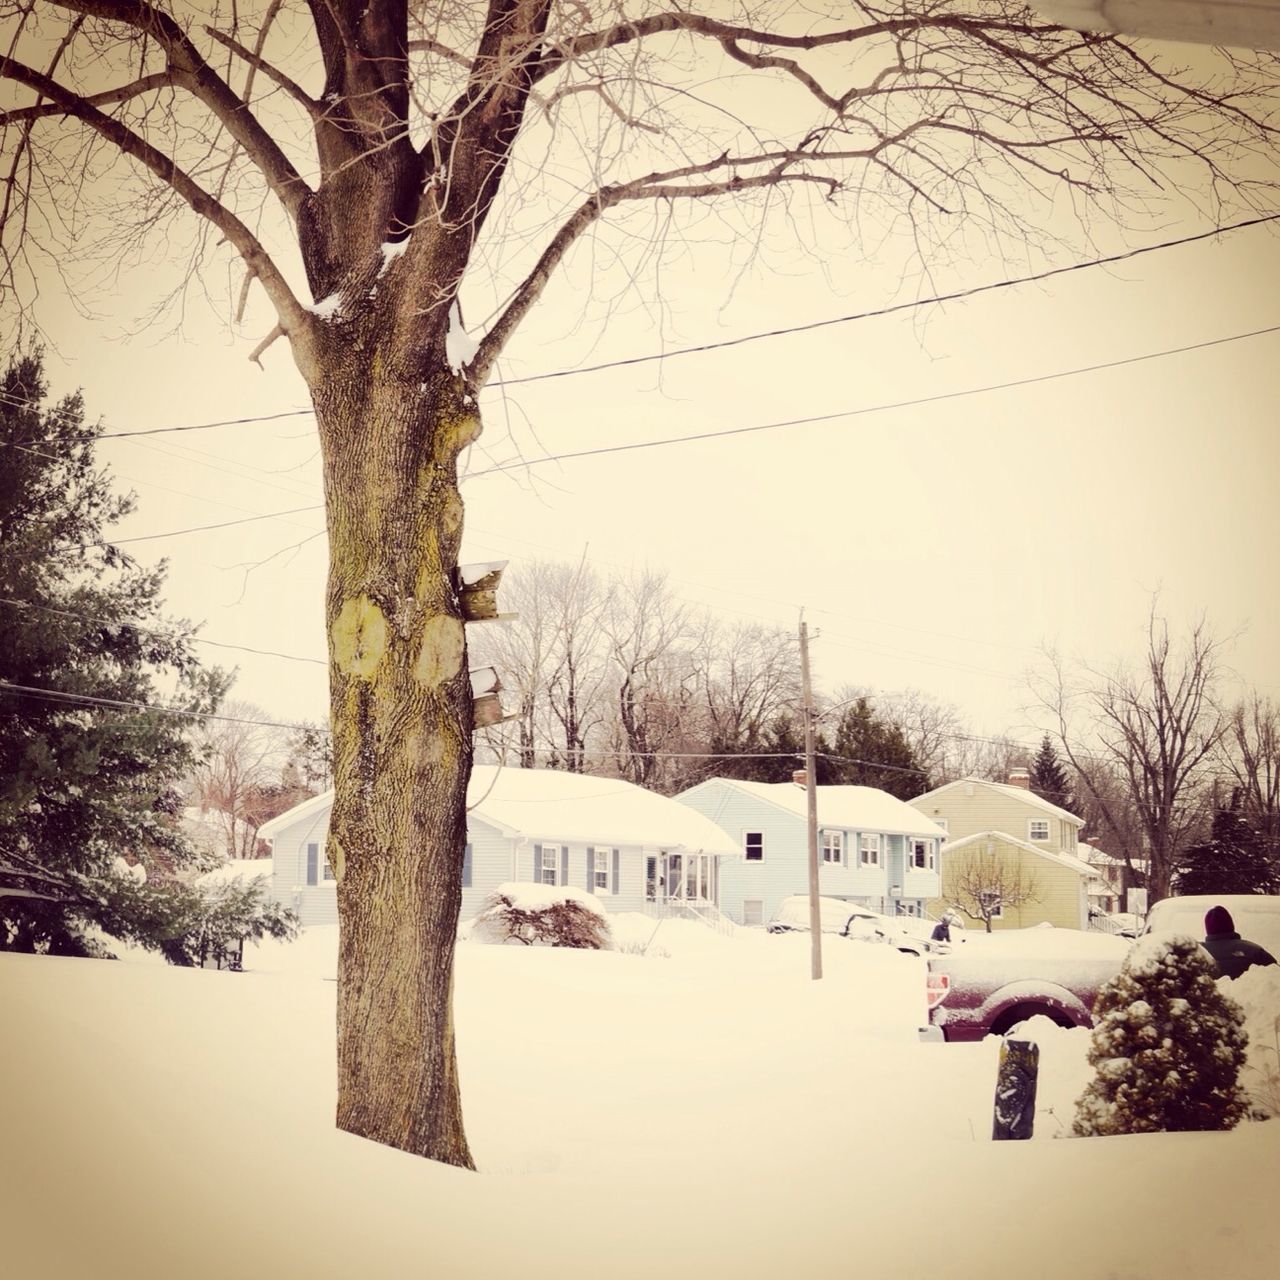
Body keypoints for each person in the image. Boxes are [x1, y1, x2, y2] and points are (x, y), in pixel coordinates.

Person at [1202, 905, 1278, 980]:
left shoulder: (1196, 954)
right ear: (1230, 925)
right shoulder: (1254, 951)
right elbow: (1276, 974)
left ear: (1208, 929)